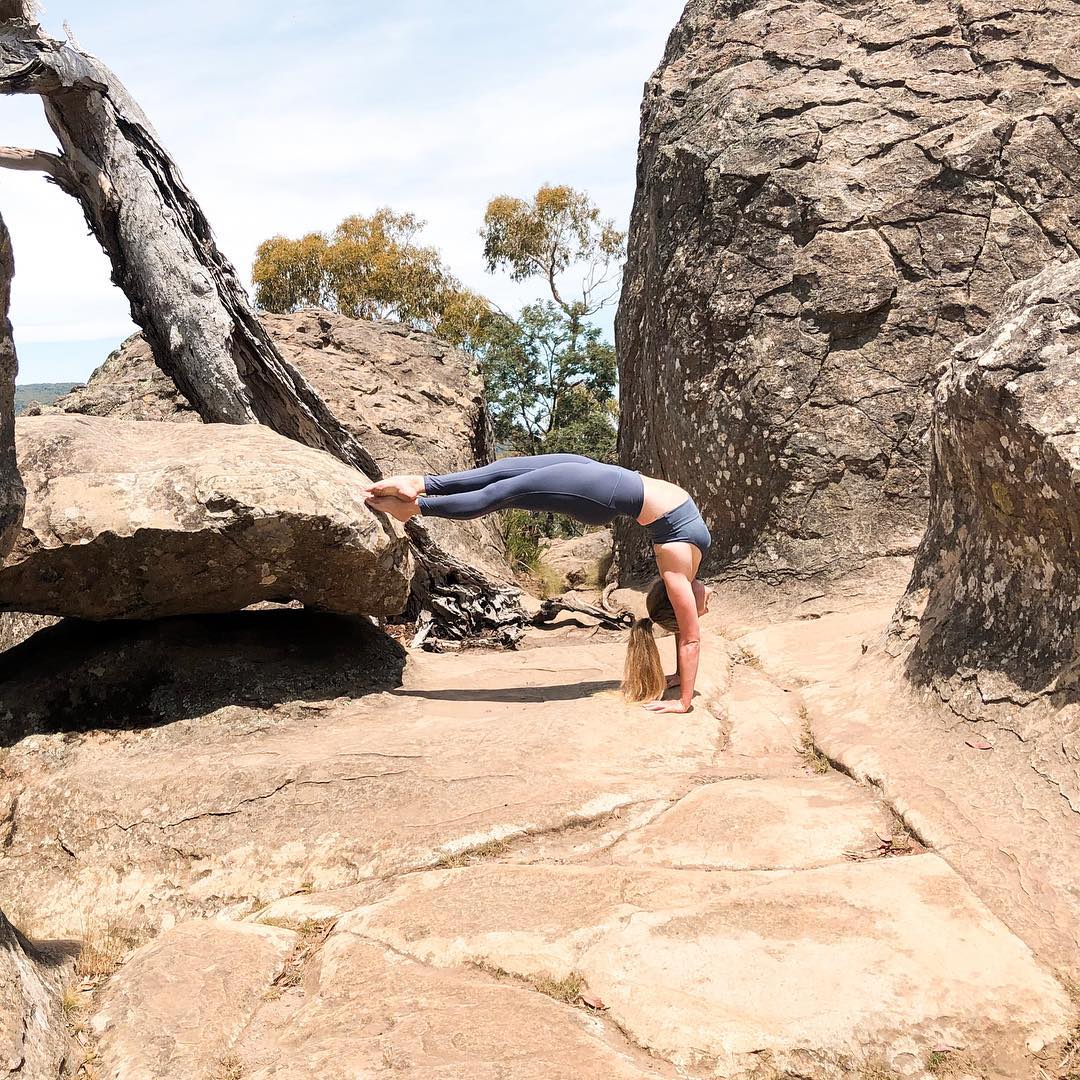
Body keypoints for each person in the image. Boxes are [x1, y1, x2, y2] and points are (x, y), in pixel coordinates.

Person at [363, 453, 711, 713]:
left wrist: (683, 702)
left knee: (501, 491)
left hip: (601, 491)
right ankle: (419, 483)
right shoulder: (685, 575)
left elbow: (690, 636)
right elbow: (686, 630)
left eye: (698, 611)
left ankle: (415, 507)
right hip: (609, 480)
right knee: (506, 470)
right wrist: (680, 677)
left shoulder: (676, 575)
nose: (707, 607)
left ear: (679, 604)